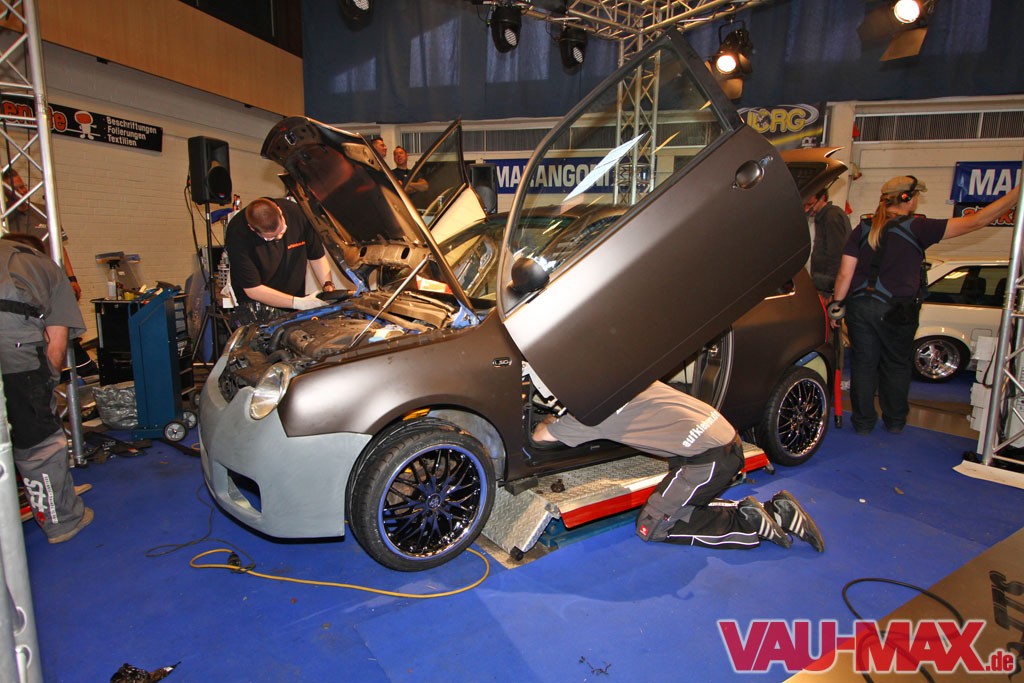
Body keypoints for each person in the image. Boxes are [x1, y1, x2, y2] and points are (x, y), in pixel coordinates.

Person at [533, 381, 824, 551]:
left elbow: (538, 437)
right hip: (721, 437)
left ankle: (751, 523)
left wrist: (553, 418)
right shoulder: (627, 378)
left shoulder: (589, 417)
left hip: (708, 460)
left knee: (652, 526)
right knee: (676, 504)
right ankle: (776, 510)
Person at [832, 175, 1020, 435]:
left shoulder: (863, 228)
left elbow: (845, 273)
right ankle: (894, 422)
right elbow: (977, 220)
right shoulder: (919, 228)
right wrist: (1016, 193)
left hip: (860, 307)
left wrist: (836, 306)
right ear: (908, 198)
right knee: (896, 364)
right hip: (897, 310)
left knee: (864, 365)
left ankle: (863, 424)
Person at [1, 233, 93, 544]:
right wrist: (44, 387)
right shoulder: (44, 266)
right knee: (38, 443)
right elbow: (55, 347)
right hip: (16, 355)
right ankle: (61, 519)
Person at [224, 197, 337, 319]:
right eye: (271, 238)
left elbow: (316, 256)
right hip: (256, 306)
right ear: (252, 228)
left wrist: (327, 285)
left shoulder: (297, 213)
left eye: (282, 231)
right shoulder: (237, 233)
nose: (279, 237)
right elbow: (253, 289)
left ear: (280, 211)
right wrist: (298, 302)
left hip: (295, 298)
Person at [2, 168, 81, 300]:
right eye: (16, 189)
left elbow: (61, 248)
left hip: (50, 278)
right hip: (21, 283)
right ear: (6, 192)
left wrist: (72, 278)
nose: (22, 191)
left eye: (23, 186)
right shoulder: (4, 219)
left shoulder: (45, 212)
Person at [804, 188, 851, 298]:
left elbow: (837, 255)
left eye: (810, 204)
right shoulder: (824, 217)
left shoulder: (832, 217)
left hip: (828, 288)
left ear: (822, 198)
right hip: (823, 284)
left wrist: (831, 290)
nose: (806, 209)